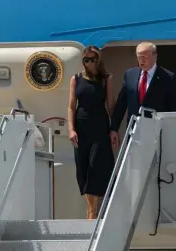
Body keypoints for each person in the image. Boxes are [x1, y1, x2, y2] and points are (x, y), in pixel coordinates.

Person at [67, 45, 116, 219]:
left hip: (99, 127)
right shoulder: (76, 79)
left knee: (97, 165)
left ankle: (92, 211)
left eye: (92, 59)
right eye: (85, 60)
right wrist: (71, 129)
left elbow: (110, 106)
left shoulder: (106, 79)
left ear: (98, 60)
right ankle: (91, 209)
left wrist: (113, 129)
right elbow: (72, 106)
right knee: (83, 168)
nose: (89, 63)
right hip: (81, 127)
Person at [110, 42, 176, 147]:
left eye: (144, 57)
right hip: (134, 132)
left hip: (156, 134)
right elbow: (122, 103)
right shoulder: (130, 74)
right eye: (139, 57)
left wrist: (173, 137)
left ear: (155, 56)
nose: (141, 61)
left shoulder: (168, 78)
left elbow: (174, 109)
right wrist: (114, 128)